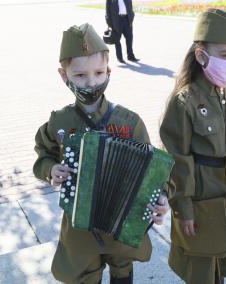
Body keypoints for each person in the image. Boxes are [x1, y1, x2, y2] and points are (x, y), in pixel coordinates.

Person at [33, 23, 169, 284]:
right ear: (64, 76)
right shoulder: (59, 121)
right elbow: (43, 155)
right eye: (80, 75)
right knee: (85, 275)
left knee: (122, 271)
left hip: (123, 222)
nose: (91, 82)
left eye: (98, 72)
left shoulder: (129, 121)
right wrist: (50, 169)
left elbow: (156, 172)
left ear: (108, 71)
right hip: (78, 227)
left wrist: (162, 198)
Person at [159, 9, 226, 284]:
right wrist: (183, 207)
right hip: (202, 199)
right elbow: (177, 159)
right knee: (203, 269)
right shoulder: (185, 102)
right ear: (201, 54)